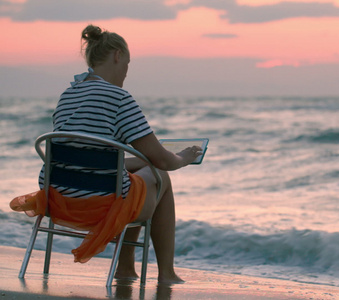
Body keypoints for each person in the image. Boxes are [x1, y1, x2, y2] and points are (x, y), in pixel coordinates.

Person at [11, 24, 201, 285]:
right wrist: (183, 157)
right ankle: (166, 273)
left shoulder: (68, 94)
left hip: (57, 200)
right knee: (161, 177)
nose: (126, 72)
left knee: (130, 177)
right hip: (102, 205)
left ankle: (126, 270)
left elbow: (91, 159)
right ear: (117, 55)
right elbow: (163, 160)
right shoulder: (118, 98)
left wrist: (143, 161)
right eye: (128, 64)